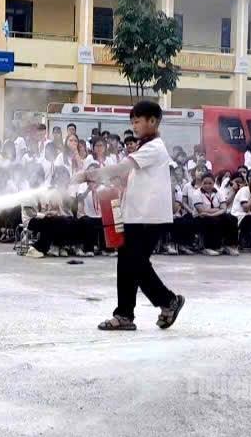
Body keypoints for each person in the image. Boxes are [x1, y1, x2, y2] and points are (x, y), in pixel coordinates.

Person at [79, 100, 184, 332]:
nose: (134, 126)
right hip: (137, 215)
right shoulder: (145, 147)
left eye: (138, 121)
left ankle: (163, 303)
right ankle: (133, 312)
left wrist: (89, 175)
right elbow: (129, 176)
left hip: (149, 217)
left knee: (134, 263)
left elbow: (120, 168)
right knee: (130, 264)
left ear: (153, 121)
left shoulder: (153, 147)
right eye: (132, 121)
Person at [191, 173, 238, 256]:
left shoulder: (218, 192)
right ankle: (209, 247)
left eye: (210, 183)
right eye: (205, 183)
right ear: (201, 183)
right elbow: (201, 210)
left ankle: (229, 245)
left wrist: (213, 213)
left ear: (213, 183)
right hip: (199, 217)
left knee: (231, 218)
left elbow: (224, 208)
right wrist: (217, 209)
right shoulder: (196, 193)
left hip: (214, 215)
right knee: (211, 221)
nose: (207, 186)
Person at [77, 163, 106, 257]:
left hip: (100, 215)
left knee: (106, 221)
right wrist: (88, 190)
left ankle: (106, 249)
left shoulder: (103, 187)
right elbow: (79, 198)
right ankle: (88, 249)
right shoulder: (83, 186)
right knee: (89, 222)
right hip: (86, 215)